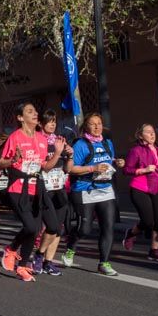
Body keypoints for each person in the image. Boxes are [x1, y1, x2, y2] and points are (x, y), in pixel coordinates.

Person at [0, 102, 65, 283]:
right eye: (30, 111)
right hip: (18, 188)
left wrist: (58, 153)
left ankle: (29, 258)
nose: (35, 113)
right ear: (21, 117)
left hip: (38, 188)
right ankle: (14, 253)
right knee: (32, 228)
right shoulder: (15, 137)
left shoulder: (42, 139)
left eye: (35, 111)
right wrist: (13, 160)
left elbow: (45, 167)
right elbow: (1, 163)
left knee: (52, 226)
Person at [62, 112, 124, 276]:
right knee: (85, 229)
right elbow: (71, 169)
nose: (97, 127)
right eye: (93, 124)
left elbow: (107, 161)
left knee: (108, 227)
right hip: (84, 190)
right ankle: (70, 247)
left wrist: (117, 162)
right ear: (86, 127)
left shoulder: (108, 143)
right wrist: (93, 169)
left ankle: (104, 263)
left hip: (105, 189)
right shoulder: (80, 145)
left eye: (99, 123)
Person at [122, 123, 158, 263]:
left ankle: (154, 250)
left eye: (153, 132)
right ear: (141, 135)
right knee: (148, 222)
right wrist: (143, 170)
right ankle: (131, 233)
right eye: (148, 132)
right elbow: (126, 170)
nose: (152, 134)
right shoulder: (136, 151)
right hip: (140, 188)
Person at [33, 110, 69, 276]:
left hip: (59, 188)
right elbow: (44, 166)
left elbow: (68, 168)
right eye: (49, 121)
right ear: (41, 124)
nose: (52, 124)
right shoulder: (37, 140)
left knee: (58, 229)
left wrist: (70, 155)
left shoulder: (60, 140)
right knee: (51, 226)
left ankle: (49, 262)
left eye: (54, 121)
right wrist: (57, 152)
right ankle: (39, 255)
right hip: (43, 188)